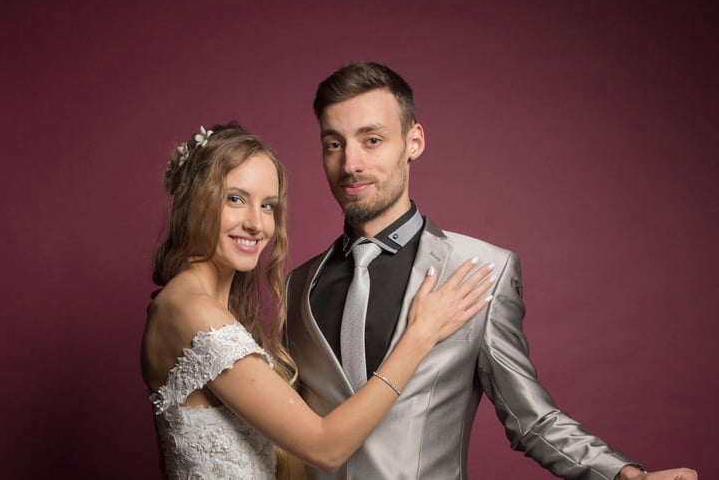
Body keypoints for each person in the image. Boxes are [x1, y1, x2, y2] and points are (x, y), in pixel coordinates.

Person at [285, 62, 698, 480]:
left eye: (372, 140)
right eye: (334, 144)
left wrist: (625, 475)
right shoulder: (297, 286)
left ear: (414, 142)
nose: (350, 163)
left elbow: (531, 419)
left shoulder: (483, 270)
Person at [140, 122, 496, 479]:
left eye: (268, 206)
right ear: (195, 201)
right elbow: (324, 448)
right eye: (235, 199)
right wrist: (419, 336)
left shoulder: (201, 307)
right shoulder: (192, 311)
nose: (256, 224)